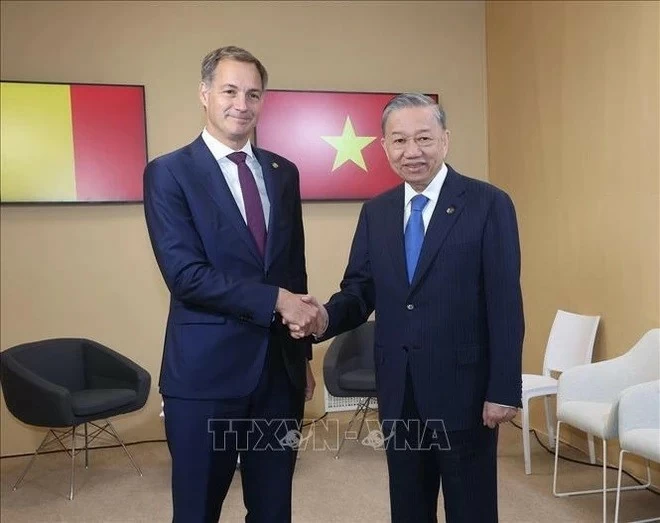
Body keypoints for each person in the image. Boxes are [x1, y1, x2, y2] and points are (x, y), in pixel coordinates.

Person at [293, 93, 524, 522]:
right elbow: (360, 291)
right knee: (409, 507)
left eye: (424, 138)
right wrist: (323, 317)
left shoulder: (489, 204)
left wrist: (503, 389)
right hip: (400, 391)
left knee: (471, 508)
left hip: (466, 392)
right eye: (399, 141)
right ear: (383, 146)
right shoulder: (376, 212)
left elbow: (506, 304)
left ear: (445, 140)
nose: (411, 151)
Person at [143, 46, 318, 523]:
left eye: (253, 93)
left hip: (277, 377)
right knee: (198, 510)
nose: (242, 103)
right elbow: (185, 275)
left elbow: (293, 271)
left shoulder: (284, 173)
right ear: (204, 94)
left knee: (273, 507)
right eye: (229, 90)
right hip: (205, 377)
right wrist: (277, 300)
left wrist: (300, 357)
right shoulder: (169, 172)